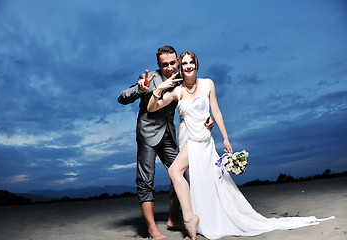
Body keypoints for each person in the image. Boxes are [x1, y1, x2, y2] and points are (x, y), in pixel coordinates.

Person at [147, 51, 334, 240]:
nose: (188, 66)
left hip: (203, 138)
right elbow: (151, 107)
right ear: (180, 66)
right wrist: (159, 88)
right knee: (191, 176)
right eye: (185, 63)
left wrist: (226, 138)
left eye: (192, 63)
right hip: (188, 137)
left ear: (196, 64)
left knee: (186, 174)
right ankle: (193, 217)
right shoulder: (177, 91)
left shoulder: (208, 84)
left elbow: (216, 112)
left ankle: (190, 218)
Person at [118, 46, 213, 240]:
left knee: (183, 174)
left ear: (177, 61)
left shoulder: (181, 79)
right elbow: (122, 97)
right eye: (165, 65)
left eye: (172, 63)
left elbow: (195, 101)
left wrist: (207, 118)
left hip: (168, 135)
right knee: (146, 181)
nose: (169, 67)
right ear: (158, 65)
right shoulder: (149, 78)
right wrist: (140, 89)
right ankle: (152, 231)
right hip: (147, 135)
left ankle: (172, 218)